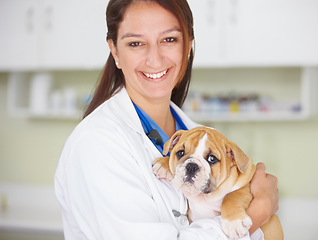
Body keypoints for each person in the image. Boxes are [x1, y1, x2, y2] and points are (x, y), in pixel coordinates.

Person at [54, 0, 279, 239]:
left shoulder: (199, 136)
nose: (155, 59)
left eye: (169, 39)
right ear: (115, 51)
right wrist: (257, 213)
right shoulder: (97, 143)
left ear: (188, 46)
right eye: (136, 43)